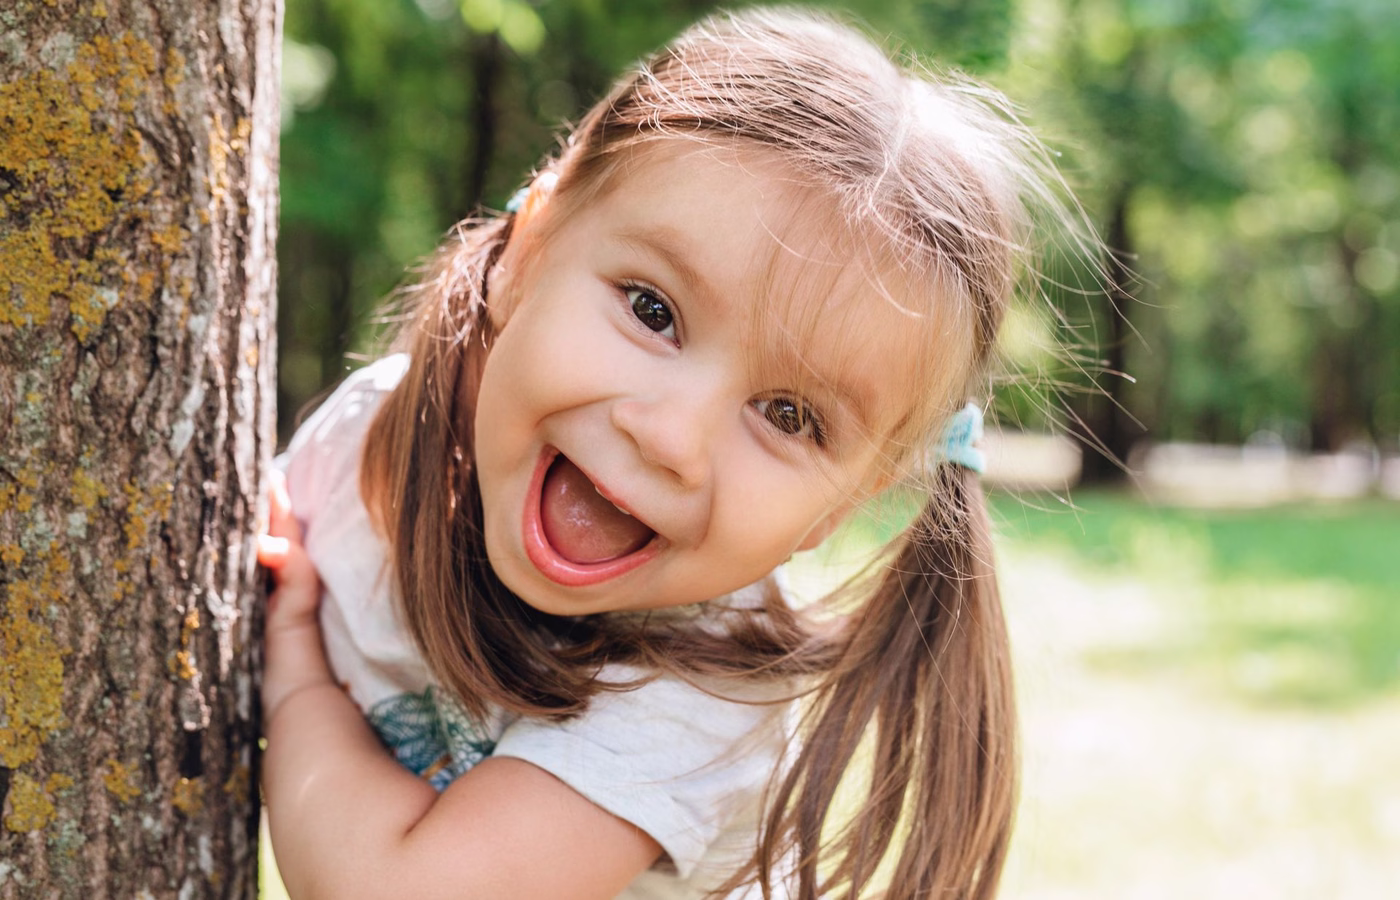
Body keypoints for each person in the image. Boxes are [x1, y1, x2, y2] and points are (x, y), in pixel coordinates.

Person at [257, 7, 1097, 899]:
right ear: (529, 251)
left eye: (789, 415)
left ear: (845, 504)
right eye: (652, 311)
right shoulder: (357, 449)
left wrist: (294, 673)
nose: (670, 439)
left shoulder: (702, 693)